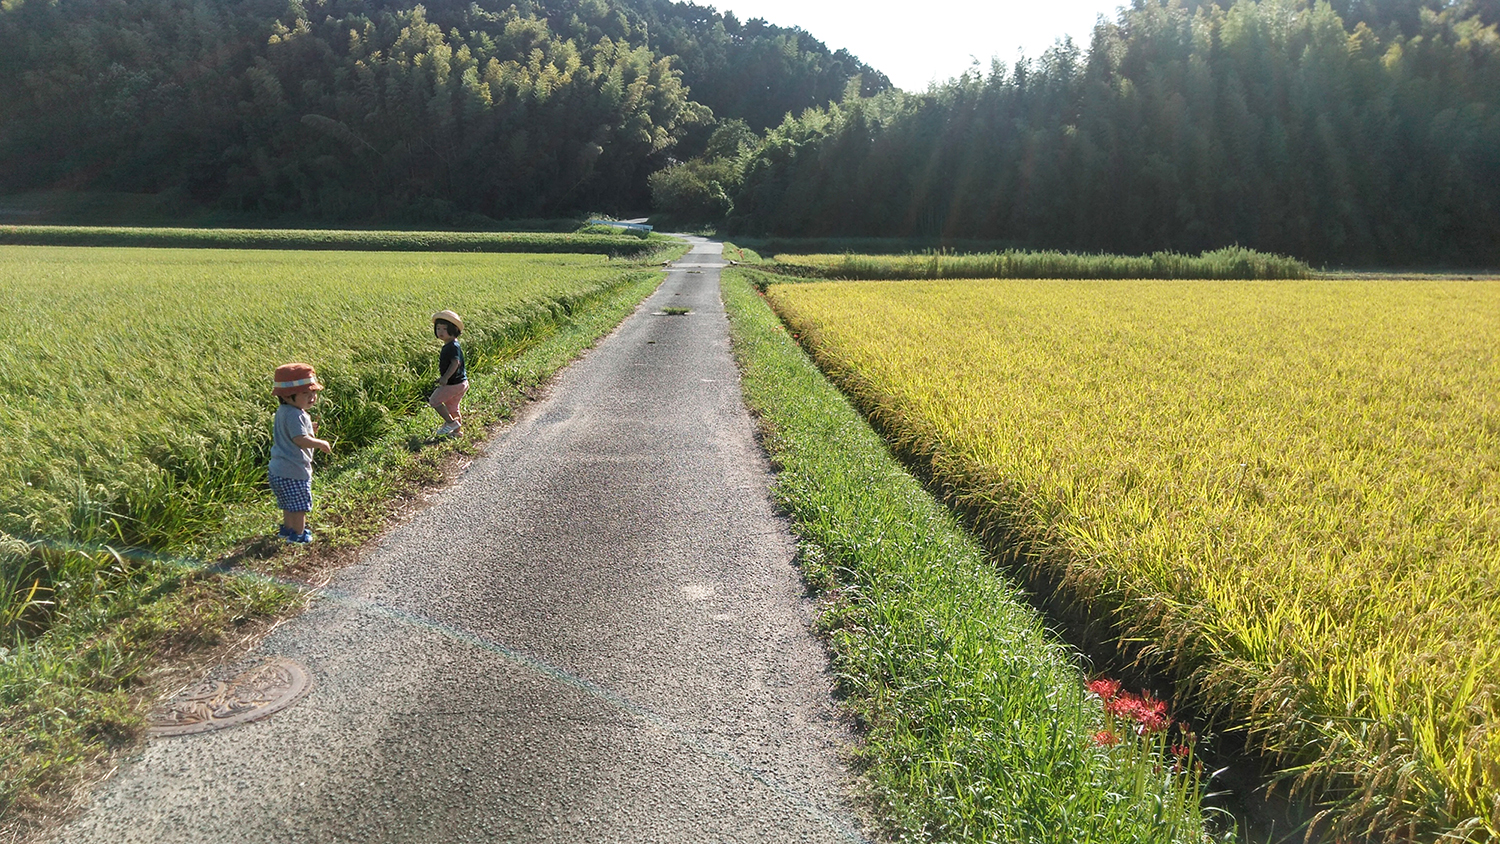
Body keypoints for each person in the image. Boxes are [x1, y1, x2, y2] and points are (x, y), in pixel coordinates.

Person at [269, 362, 333, 543]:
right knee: (299, 507)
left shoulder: (283, 411)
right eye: (306, 393)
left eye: (314, 392)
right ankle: (298, 534)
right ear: (288, 396)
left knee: (288, 505)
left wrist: (308, 428)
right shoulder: (296, 415)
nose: (312, 397)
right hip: (294, 470)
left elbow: (291, 432)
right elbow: (299, 440)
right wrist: (319, 443)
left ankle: (287, 530)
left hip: (277, 470)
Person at [430, 309, 468, 437]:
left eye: (444, 329)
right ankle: (457, 432)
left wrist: (445, 378)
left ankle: (450, 423)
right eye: (438, 328)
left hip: (453, 384)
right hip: (461, 382)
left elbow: (455, 363)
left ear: (453, 330)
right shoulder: (452, 344)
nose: (440, 332)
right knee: (452, 407)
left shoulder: (452, 346)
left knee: (434, 401)